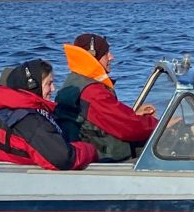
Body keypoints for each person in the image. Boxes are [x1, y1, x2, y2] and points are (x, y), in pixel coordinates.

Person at [54, 33, 158, 162]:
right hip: (105, 158)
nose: (111, 57)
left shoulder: (75, 81)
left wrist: (133, 114)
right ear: (93, 56)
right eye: (106, 53)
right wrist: (162, 125)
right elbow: (127, 128)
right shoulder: (93, 92)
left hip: (91, 149)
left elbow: (104, 118)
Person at [0, 59, 98, 170]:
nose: (53, 89)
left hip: (7, 169)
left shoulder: (11, 109)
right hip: (17, 176)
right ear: (33, 86)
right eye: (49, 84)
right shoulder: (30, 120)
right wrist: (91, 150)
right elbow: (63, 159)